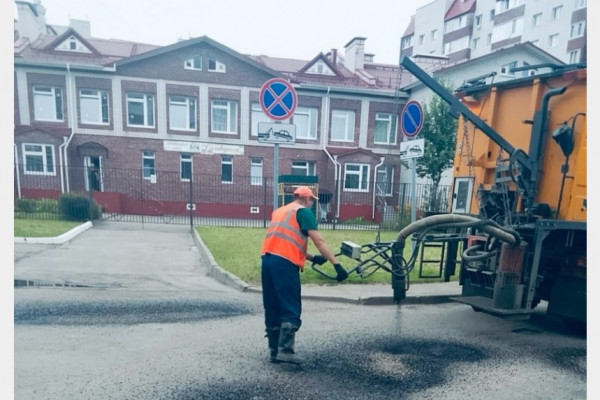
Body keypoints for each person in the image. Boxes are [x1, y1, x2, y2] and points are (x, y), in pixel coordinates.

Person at [260, 185, 348, 364]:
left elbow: (286, 241)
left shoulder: (280, 211)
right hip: (285, 264)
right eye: (312, 201)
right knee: (290, 304)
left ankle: (274, 350)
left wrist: (313, 258)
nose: (312, 204)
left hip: (267, 260)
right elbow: (319, 240)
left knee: (273, 304)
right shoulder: (303, 212)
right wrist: (337, 265)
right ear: (307, 199)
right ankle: (286, 350)